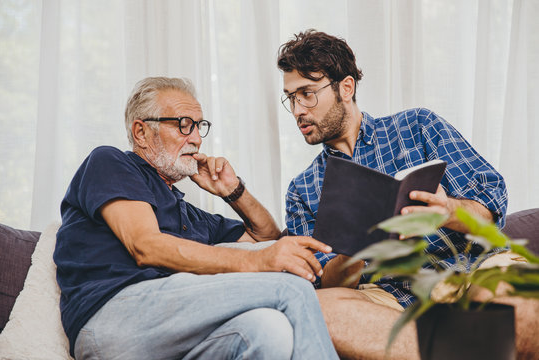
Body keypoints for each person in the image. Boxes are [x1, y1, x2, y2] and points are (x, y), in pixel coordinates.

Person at [277, 30, 538, 359]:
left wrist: (449, 210)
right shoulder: (302, 189)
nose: (298, 109)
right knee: (318, 308)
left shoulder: (418, 126)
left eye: (307, 93)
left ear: (346, 87)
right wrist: (354, 248)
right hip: (387, 299)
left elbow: (491, 203)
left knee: (520, 299)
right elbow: (325, 280)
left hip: (471, 270)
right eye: (291, 98)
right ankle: (475, 345)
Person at [53, 76, 339, 360]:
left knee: (268, 329)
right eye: (183, 125)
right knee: (293, 289)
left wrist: (233, 191)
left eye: (199, 126)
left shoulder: (188, 214)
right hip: (111, 319)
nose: (197, 138)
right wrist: (257, 262)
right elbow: (146, 246)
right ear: (141, 132)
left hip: (166, 332)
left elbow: (266, 238)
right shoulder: (111, 163)